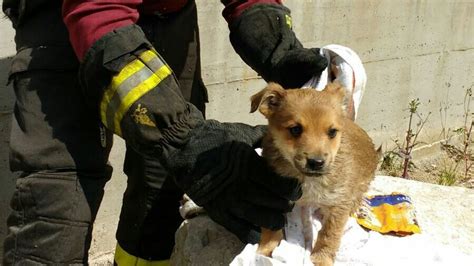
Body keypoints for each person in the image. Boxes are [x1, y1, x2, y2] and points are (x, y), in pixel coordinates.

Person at [1, 0, 328, 264]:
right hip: (69, 11)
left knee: (162, 186)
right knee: (56, 200)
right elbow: (98, 12)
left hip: (168, 13)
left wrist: (275, 43)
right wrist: (182, 136)